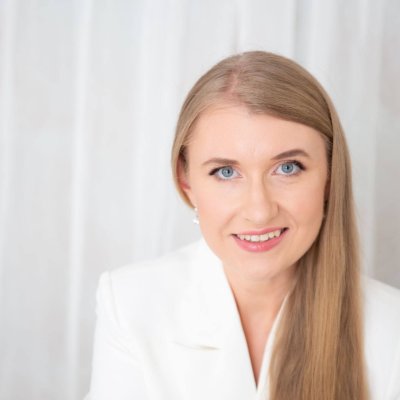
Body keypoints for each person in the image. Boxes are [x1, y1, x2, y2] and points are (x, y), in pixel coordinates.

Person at [86, 51, 400, 400]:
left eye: (288, 168)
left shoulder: (392, 330)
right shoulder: (129, 305)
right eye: (225, 172)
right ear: (186, 182)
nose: (259, 211)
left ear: (329, 176)